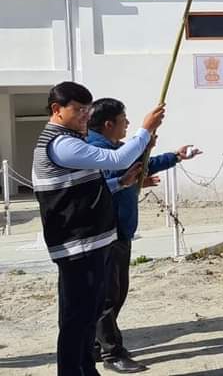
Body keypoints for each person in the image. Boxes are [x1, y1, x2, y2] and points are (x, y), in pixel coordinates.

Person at [31, 82, 164, 376]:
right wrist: (145, 130)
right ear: (57, 110)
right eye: (78, 110)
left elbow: (85, 187)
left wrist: (122, 183)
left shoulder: (70, 139)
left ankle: (85, 371)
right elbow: (117, 158)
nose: (84, 116)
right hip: (78, 245)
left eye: (86, 110)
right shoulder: (61, 144)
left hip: (92, 242)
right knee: (77, 319)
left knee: (87, 317)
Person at [87, 98, 200, 373]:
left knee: (115, 293)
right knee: (107, 297)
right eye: (124, 119)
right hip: (106, 234)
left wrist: (173, 156)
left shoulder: (111, 148)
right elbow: (118, 170)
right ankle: (112, 352)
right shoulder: (96, 150)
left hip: (120, 232)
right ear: (108, 124)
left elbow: (137, 165)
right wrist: (145, 134)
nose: (127, 123)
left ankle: (92, 343)